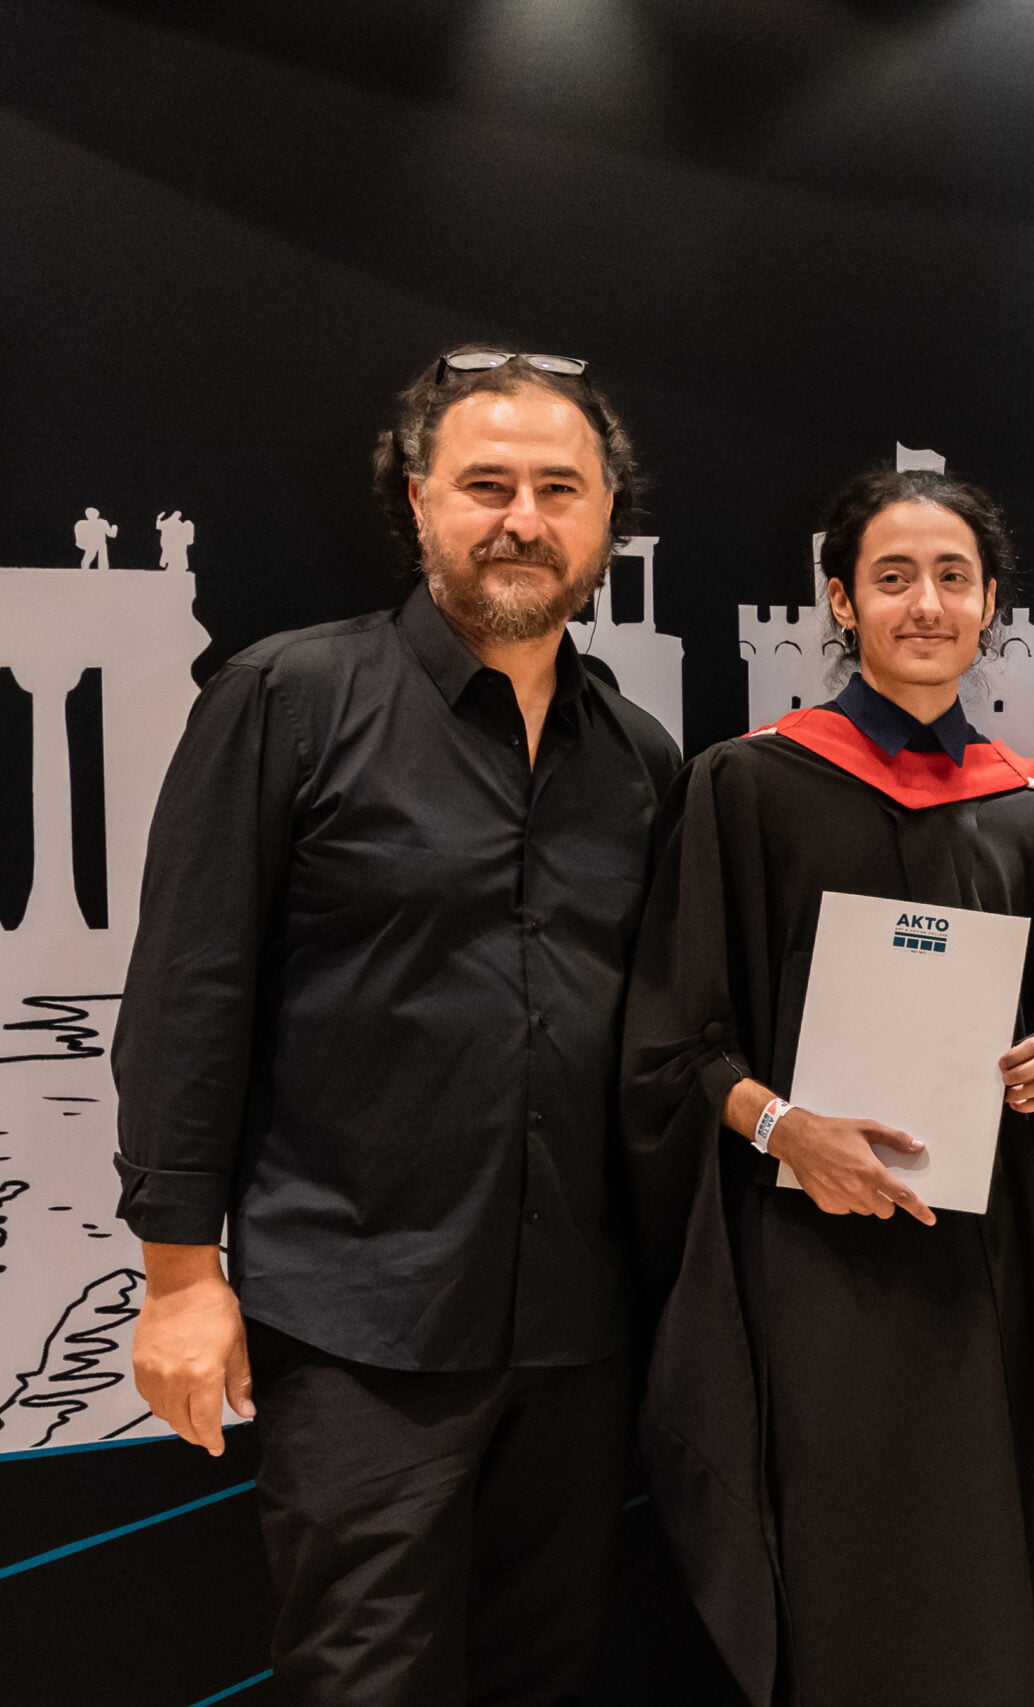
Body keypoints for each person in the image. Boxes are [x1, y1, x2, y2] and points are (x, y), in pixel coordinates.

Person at [113, 346, 679, 1703]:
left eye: (560, 488)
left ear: (607, 515)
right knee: (364, 1680)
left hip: (579, 1327)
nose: (523, 518)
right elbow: (189, 993)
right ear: (417, 500)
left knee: (542, 1675)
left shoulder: (640, 758)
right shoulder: (288, 698)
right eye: (486, 485)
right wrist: (179, 1276)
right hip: (359, 1325)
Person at [622, 468, 1034, 1707]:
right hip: (811, 1260)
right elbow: (675, 1042)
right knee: (841, 1568)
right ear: (840, 603)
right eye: (892, 578)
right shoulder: (746, 787)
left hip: (992, 1268)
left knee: (987, 1572)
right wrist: (788, 1129)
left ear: (991, 601)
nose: (925, 605)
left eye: (953, 578)